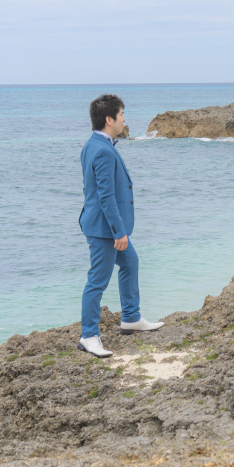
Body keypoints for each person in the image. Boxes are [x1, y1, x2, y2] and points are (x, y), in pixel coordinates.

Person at [77, 93, 163, 358]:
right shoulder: (102, 150)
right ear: (109, 119)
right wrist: (119, 232)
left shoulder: (94, 144)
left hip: (103, 225)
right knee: (97, 281)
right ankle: (89, 336)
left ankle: (131, 317)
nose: (125, 119)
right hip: (104, 229)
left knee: (130, 262)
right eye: (122, 115)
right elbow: (105, 196)